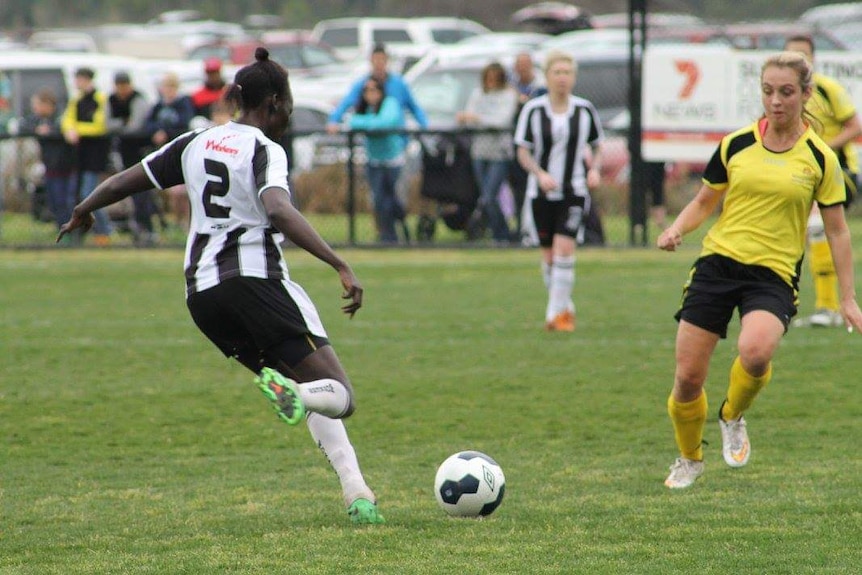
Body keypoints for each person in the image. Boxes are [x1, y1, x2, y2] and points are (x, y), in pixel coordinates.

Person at [56, 47, 385, 525]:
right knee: (339, 394)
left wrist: (83, 208)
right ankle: (307, 409)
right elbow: (277, 209)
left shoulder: (195, 141)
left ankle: (357, 495)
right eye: (287, 103)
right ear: (272, 103)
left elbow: (128, 180)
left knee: (300, 386)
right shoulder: (264, 149)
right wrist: (339, 263)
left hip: (203, 297)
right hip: (256, 283)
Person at [657, 51, 862, 490]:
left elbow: (839, 232)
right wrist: (676, 229)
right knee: (688, 378)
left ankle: (732, 414)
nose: (776, 101)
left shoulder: (821, 159)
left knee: (755, 351)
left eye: (787, 92)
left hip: (773, 274)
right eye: (768, 91)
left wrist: (848, 298)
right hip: (717, 265)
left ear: (806, 94)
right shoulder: (736, 144)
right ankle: (690, 458)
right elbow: (703, 202)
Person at [514, 51, 604, 332]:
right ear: (548, 76)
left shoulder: (585, 109)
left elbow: (598, 145)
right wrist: (539, 174)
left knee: (564, 249)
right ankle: (566, 306)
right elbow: (522, 151)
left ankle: (554, 316)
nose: (562, 78)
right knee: (549, 258)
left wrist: (594, 169)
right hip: (540, 194)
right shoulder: (534, 110)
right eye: (557, 73)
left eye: (567, 73)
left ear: (573, 77)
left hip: (574, 190)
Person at [784, 35, 861, 328]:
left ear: (813, 59)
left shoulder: (828, 89)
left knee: (817, 226)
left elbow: (855, 125)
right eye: (791, 55)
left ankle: (829, 308)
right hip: (802, 177)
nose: (797, 61)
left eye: (803, 55)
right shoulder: (784, 97)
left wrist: (824, 149)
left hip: (840, 173)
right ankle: (779, 304)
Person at [456, 61, 520, 243]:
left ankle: (502, 234)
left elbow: (501, 121)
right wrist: (473, 119)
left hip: (499, 153)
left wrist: (476, 118)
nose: (491, 81)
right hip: (479, 151)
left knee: (489, 196)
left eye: (495, 78)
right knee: (485, 196)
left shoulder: (508, 95)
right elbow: (467, 118)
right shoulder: (478, 93)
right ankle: (502, 233)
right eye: (488, 78)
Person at [349, 76, 407, 244]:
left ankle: (401, 232)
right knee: (379, 201)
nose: (370, 94)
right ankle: (388, 238)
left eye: (373, 89)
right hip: (374, 161)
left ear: (381, 91)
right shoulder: (365, 108)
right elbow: (353, 122)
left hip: (393, 161)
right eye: (366, 90)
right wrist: (371, 122)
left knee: (393, 201)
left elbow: (385, 122)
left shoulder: (390, 103)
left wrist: (368, 123)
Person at [326, 43, 428, 134]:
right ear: (371, 60)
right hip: (373, 142)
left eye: (382, 59)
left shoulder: (398, 84)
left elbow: (413, 107)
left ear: (387, 60)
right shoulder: (362, 84)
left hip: (396, 140)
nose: (379, 63)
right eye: (376, 59)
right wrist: (333, 121)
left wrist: (424, 126)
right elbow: (345, 104)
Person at [61, 66, 112, 245]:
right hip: (78, 157)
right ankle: (79, 234)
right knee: (74, 195)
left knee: (89, 195)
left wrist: (77, 130)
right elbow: (66, 120)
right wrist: (69, 129)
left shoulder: (100, 99)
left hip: (95, 156)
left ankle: (105, 232)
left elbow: (100, 125)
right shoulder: (77, 100)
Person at [108, 71, 157, 245]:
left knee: (143, 193)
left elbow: (135, 126)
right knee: (130, 193)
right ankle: (138, 228)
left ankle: (148, 229)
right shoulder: (112, 100)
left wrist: (118, 125)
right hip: (123, 153)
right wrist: (123, 123)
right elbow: (107, 124)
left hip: (140, 153)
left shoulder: (138, 99)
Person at [20, 88, 77, 235]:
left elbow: (67, 129)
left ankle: (71, 232)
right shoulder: (38, 120)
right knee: (53, 201)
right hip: (50, 167)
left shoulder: (61, 118)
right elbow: (22, 125)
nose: (35, 108)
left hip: (65, 168)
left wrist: (51, 130)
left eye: (37, 104)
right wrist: (37, 129)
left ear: (47, 104)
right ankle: (61, 229)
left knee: (64, 201)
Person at [145, 72, 195, 232]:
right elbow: (148, 123)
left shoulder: (183, 103)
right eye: (166, 86)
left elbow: (184, 123)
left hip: (179, 153)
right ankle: (172, 223)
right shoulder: (158, 106)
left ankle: (184, 224)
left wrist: (166, 132)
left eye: (171, 87)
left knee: (180, 193)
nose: (168, 90)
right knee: (163, 193)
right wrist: (157, 131)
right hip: (161, 153)